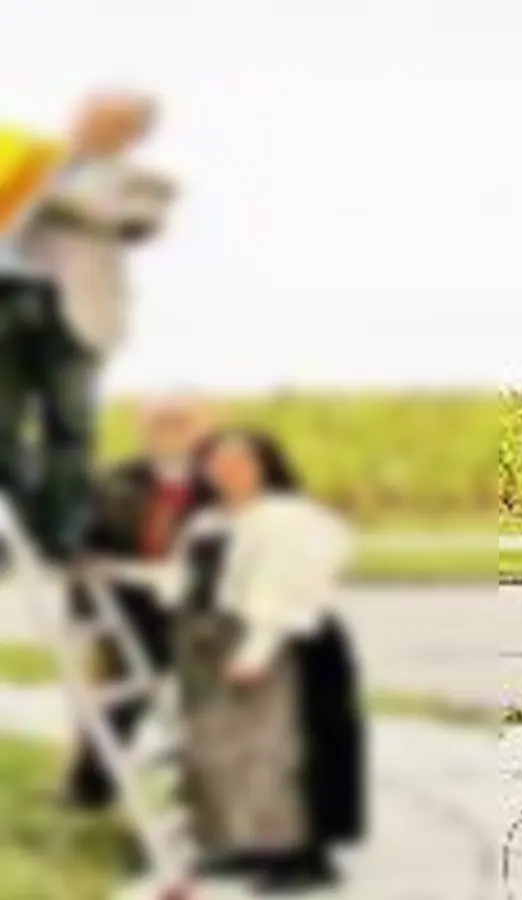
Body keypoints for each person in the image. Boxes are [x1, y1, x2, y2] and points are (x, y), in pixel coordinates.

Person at [117, 428, 365, 892]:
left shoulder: (289, 518)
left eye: (239, 461)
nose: (226, 471)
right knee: (225, 754)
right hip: (213, 646)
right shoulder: (207, 522)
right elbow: (180, 579)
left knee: (284, 752)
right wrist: (118, 571)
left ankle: (300, 858)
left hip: (282, 645)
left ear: (266, 464)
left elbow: (287, 587)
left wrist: (258, 648)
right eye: (216, 461)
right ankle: (243, 846)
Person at [0, 91, 176, 568]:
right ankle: (19, 530)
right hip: (7, 297)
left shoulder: (146, 181)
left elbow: (136, 224)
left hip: (74, 308)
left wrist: (47, 191)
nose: (89, 124)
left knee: (68, 425)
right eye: (87, 114)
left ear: (133, 134)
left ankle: (61, 535)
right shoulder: (23, 158)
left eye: (107, 121)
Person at [60, 395, 213, 811]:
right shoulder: (115, 480)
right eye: (160, 422)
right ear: (142, 429)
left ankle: (204, 794)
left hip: (202, 610)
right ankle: (88, 790)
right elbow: (81, 540)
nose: (171, 431)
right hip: (132, 608)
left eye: (182, 421)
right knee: (119, 702)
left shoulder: (219, 479)